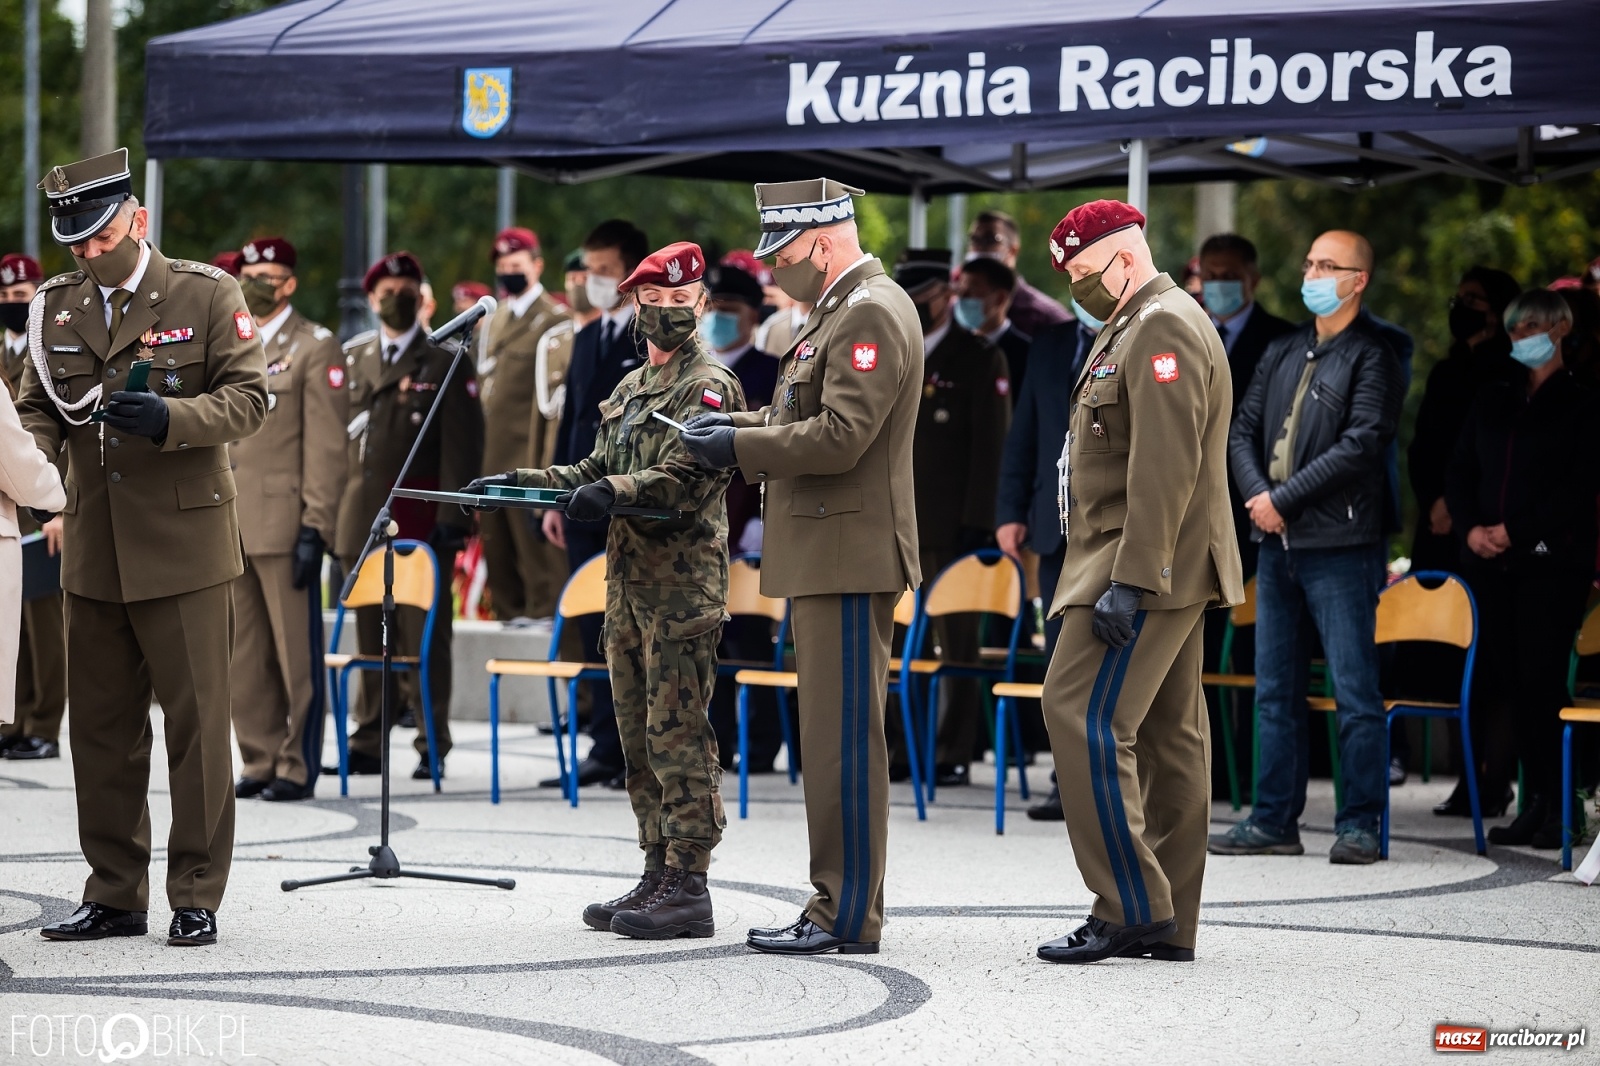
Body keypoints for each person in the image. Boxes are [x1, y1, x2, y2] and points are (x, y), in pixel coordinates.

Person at [20, 148, 269, 946]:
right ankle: (114, 892)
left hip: (186, 545)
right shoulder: (57, 306)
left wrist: (173, 421)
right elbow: (38, 410)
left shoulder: (204, 292)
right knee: (100, 731)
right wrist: (28, 473)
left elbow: (249, 398)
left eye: (100, 236)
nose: (89, 253)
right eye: (76, 243)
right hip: (93, 544)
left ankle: (195, 891)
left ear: (138, 220)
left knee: (197, 731)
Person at [469, 241, 744, 938]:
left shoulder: (709, 387)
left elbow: (685, 481)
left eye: (681, 303)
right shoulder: (626, 392)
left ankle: (690, 883)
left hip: (683, 593)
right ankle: (655, 871)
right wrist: (513, 485)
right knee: (635, 736)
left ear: (703, 304)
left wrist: (610, 492)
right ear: (633, 307)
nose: (667, 315)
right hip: (626, 592)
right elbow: (586, 469)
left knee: (678, 733)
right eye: (654, 303)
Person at [681, 177, 921, 955]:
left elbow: (842, 436)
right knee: (830, 738)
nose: (776, 267)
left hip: (849, 556)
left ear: (822, 240)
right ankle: (837, 902)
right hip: (830, 554)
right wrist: (733, 426)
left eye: (782, 251)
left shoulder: (871, 311)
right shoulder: (838, 312)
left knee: (843, 742)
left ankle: (844, 913)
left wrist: (741, 448)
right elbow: (801, 418)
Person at [1032, 200, 1242, 964]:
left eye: (1085, 272)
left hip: (1140, 565)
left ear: (1125, 256)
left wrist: (1134, 579)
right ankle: (1170, 921)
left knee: (1080, 712)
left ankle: (1129, 905)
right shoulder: (1133, 322)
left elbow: (1165, 464)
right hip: (1149, 563)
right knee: (1167, 738)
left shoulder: (1162, 325)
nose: (1078, 287)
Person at [1216, 229, 1404, 866]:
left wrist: (1283, 500)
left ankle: (1359, 824)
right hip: (1275, 544)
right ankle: (1274, 820)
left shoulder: (1374, 356)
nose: (1313, 272)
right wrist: (1257, 498)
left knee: (1354, 692)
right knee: (1274, 691)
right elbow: (1241, 428)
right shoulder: (1284, 348)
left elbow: (1361, 443)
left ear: (1359, 280)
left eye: (1329, 264)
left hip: (1341, 544)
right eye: (1309, 261)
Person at [1445, 290, 1599, 848]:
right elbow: (1460, 470)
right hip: (1492, 563)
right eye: (1514, 329)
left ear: (1560, 329)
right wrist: (1471, 530)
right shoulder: (1493, 398)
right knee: (1506, 681)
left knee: (1542, 681)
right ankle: (1534, 800)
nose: (1521, 337)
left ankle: (1561, 804)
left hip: (1551, 564)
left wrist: (1519, 529)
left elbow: (1578, 488)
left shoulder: (1582, 404)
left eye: (1531, 325)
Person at [334, 251, 484, 782]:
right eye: (385, 291)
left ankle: (431, 740)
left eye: (406, 290)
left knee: (424, 639)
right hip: (362, 522)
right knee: (370, 632)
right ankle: (370, 736)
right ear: (370, 299)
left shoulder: (445, 361)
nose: (395, 298)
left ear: (422, 298)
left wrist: (454, 518)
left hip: (421, 524)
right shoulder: (353, 359)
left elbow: (462, 449)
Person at [228, 236, 348, 803]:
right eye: (250, 273)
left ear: (290, 283)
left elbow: (327, 448)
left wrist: (316, 526)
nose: (258, 283)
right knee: (244, 654)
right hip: (229, 521)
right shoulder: (229, 340)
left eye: (270, 275)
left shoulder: (314, 347)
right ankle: (258, 756)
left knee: (294, 654)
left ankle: (296, 765)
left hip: (285, 522)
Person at [540, 220, 649, 790]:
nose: (593, 282)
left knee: (629, 632)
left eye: (605, 272)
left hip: (627, 505)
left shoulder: (647, 338)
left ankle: (631, 746)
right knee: (591, 630)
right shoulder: (586, 336)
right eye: (590, 270)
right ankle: (602, 742)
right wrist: (555, 500)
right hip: (580, 505)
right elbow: (571, 422)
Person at [897, 247, 1011, 787]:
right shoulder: (896, 350)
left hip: (951, 526)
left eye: (924, 298)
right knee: (897, 645)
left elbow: (991, 447)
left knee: (957, 643)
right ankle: (901, 747)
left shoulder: (977, 357)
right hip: (895, 524)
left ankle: (950, 751)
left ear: (947, 293)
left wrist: (979, 520)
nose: (917, 308)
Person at [1405, 266, 1519, 803]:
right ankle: (1468, 777)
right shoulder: (1449, 370)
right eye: (1460, 297)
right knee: (1448, 654)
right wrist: (1432, 502)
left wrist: (1459, 506)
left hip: (1481, 530)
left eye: (1473, 300)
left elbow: (1490, 455)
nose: (1462, 306)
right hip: (1438, 526)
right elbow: (1423, 445)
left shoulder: (1508, 373)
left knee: (1490, 656)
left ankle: (1493, 778)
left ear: (1498, 311)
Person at [1196, 233, 1294, 797]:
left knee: (1258, 662)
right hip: (1193, 523)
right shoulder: (1184, 329)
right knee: (1196, 656)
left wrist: (1262, 498)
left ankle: (1251, 779)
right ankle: (1206, 777)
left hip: (1258, 517)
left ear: (1253, 277)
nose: (1218, 283)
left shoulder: (1281, 341)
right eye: (1209, 272)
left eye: (1229, 272)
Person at [995, 310, 1103, 821]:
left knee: (1107, 655)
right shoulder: (1051, 343)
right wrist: (1009, 511)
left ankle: (1108, 780)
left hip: (1109, 528)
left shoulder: (1136, 330)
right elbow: (1024, 433)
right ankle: (1067, 782)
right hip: (1052, 525)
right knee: (1060, 662)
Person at [477, 227, 571, 625]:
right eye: (502, 267)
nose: (508, 273)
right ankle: (509, 617)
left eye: (516, 266)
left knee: (536, 559)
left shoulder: (554, 320)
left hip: (526, 455)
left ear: (537, 266)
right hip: (492, 453)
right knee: (497, 554)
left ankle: (543, 616)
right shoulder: (493, 320)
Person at [0, 253, 67, 760]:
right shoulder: (3, 349)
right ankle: (14, 721)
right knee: (12, 625)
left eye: (19, 297)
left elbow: (62, 430)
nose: (10, 305)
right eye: (3, 298)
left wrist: (59, 507)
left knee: (46, 627)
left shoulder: (51, 347)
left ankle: (44, 722)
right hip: (12, 505)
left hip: (45, 503)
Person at [966, 209, 1070, 338]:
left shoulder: (1045, 317)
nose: (979, 247)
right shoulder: (958, 311)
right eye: (974, 239)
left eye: (990, 239)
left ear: (1012, 251)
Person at [956, 255, 1033, 394]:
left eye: (972, 289)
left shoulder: (1027, 356)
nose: (962, 297)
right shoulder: (953, 347)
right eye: (960, 288)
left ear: (1000, 298)